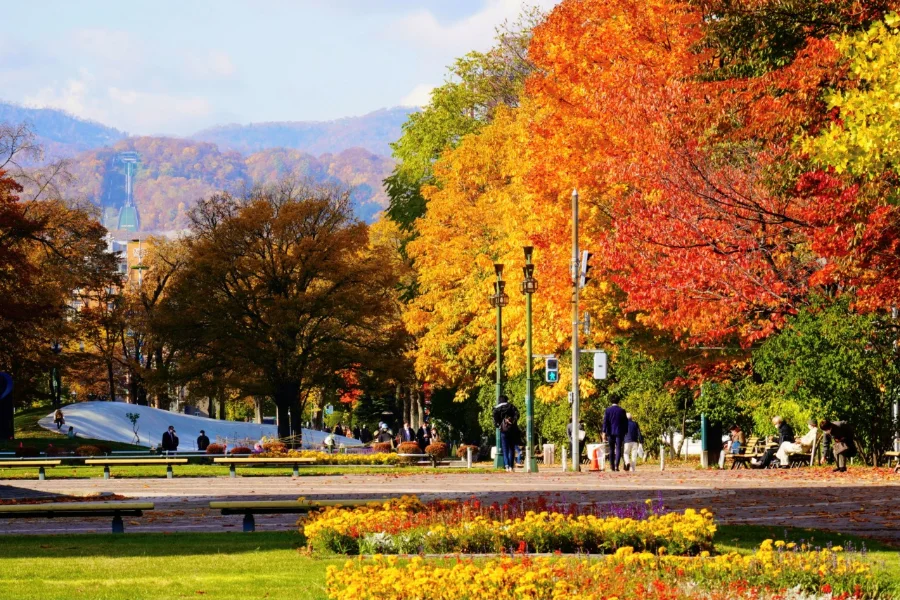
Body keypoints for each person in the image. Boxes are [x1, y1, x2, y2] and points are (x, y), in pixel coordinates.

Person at [493, 395, 520, 472]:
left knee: (505, 449)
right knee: (511, 448)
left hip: (503, 430)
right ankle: (511, 466)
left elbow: (495, 420)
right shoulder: (511, 406)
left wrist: (498, 425)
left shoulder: (497, 408)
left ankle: (507, 465)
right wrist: (513, 421)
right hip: (512, 429)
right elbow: (517, 414)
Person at [602, 399, 628, 472]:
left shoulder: (608, 410)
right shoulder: (622, 410)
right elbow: (625, 422)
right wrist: (625, 431)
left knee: (611, 449)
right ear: (618, 402)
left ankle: (611, 466)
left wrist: (604, 432)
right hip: (619, 432)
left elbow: (605, 422)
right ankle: (617, 465)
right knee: (618, 448)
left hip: (610, 432)